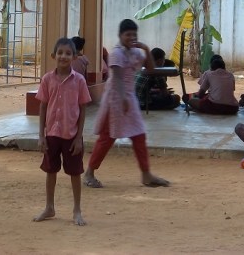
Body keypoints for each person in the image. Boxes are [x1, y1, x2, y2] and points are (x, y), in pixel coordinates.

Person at [83, 19, 169, 189]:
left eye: (134, 34)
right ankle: (89, 173)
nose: (131, 37)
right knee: (108, 137)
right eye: (127, 34)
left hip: (129, 98)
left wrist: (146, 48)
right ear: (120, 36)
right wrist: (122, 99)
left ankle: (146, 174)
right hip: (115, 98)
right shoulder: (117, 53)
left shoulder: (136, 52)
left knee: (139, 135)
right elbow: (118, 78)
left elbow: (151, 70)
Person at [33, 37, 92, 226]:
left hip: (71, 134)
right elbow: (43, 107)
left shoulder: (79, 81)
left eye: (68, 53)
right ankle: (49, 207)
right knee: (51, 171)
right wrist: (41, 135)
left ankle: (77, 210)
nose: (63, 56)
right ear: (53, 56)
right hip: (52, 134)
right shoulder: (47, 79)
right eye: (60, 53)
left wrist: (79, 138)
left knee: (74, 172)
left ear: (75, 57)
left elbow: (83, 110)